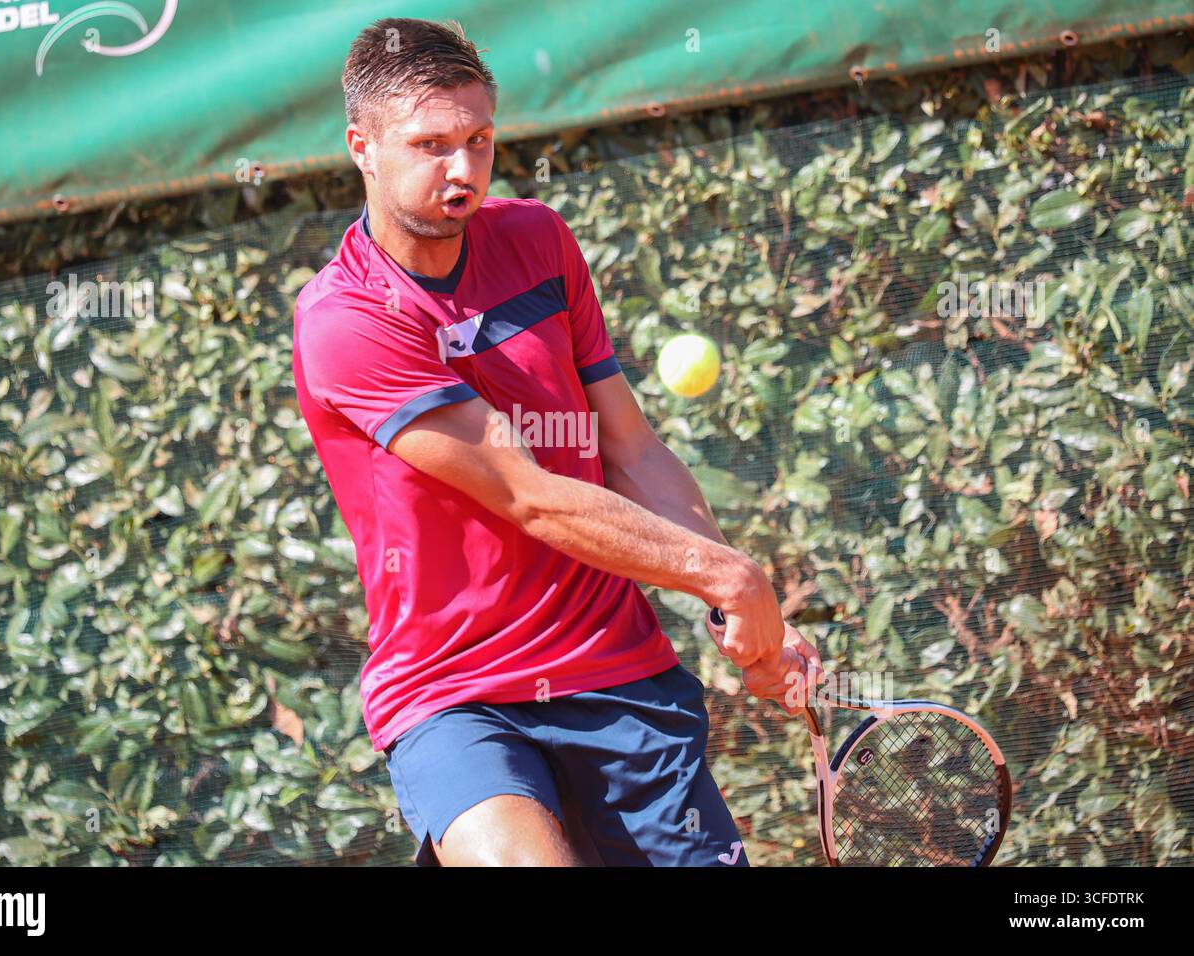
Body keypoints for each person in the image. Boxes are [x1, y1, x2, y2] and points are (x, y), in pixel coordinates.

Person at [292, 17, 822, 866]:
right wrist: (730, 575)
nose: (462, 170)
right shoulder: (344, 322)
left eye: (479, 140)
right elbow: (529, 495)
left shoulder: (538, 240)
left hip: (618, 671)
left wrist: (737, 605)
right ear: (362, 146)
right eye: (430, 145)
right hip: (455, 694)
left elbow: (631, 448)